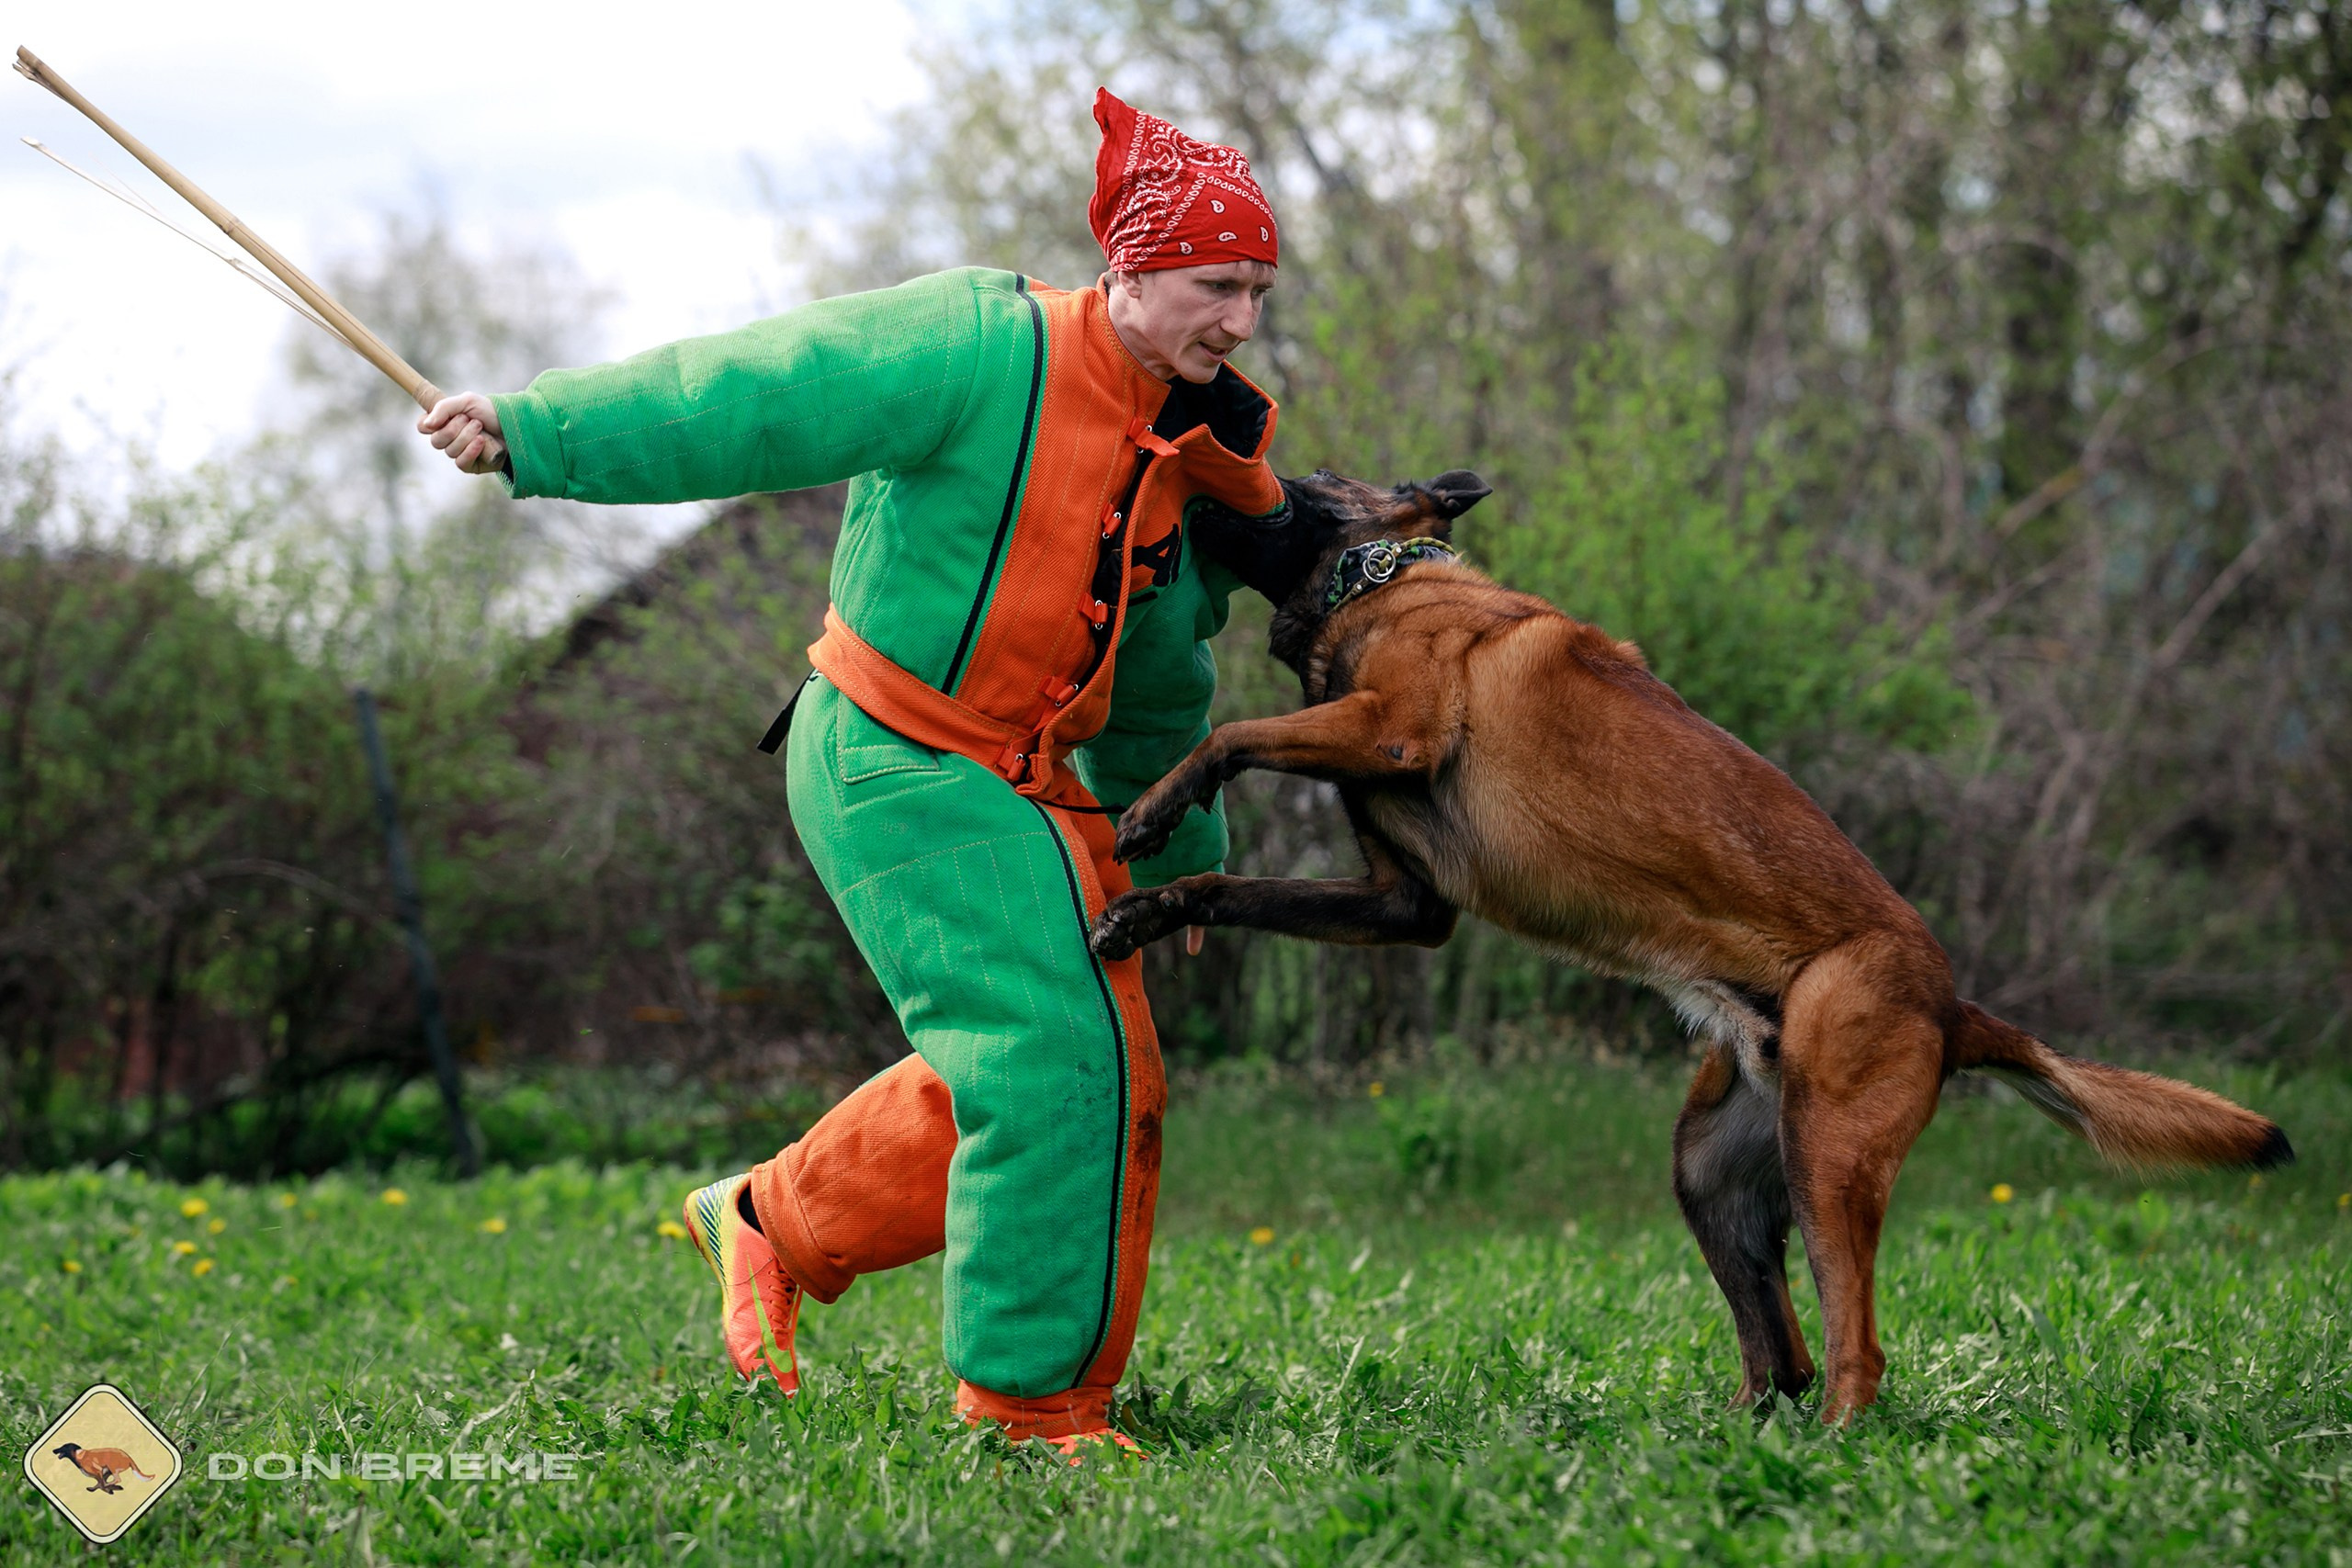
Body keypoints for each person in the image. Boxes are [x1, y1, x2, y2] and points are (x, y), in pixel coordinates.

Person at [420, 90, 1286, 1461]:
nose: (1240, 321)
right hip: (894, 754)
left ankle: (772, 1221)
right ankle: (1027, 1413)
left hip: (1033, 783)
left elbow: (1164, 672)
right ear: (1128, 264)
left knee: (1074, 1063)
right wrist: (542, 432)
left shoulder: (1191, 441)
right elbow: (761, 390)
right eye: (1215, 286)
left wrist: (1178, 865)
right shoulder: (975, 346)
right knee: (1058, 1056)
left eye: (1255, 291)